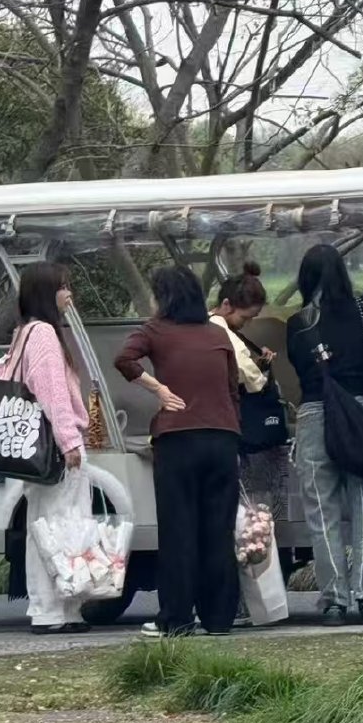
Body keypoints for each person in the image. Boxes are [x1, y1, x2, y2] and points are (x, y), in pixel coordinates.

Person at [116, 265, 241, 638]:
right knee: (218, 530)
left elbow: (124, 359)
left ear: (164, 297)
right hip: (222, 438)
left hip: (178, 440)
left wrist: (158, 390)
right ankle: (220, 617)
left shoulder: (155, 330)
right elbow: (232, 389)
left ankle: (177, 617)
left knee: (179, 530)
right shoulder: (217, 334)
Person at [287, 244, 363, 627]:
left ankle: (334, 600)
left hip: (316, 416)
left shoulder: (299, 322)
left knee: (323, 512)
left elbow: (301, 369)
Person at [0, 262, 91, 634]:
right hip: (54, 447)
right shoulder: (46, 334)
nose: (69, 295)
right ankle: (56, 609)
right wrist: (69, 441)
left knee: (45, 525)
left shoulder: (23, 333)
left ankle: (53, 608)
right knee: (62, 524)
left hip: (31, 450)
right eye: (64, 287)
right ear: (48, 293)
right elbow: (51, 393)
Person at [209, 261, 290, 626]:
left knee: (247, 524)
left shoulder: (218, 330)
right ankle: (249, 604)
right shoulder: (219, 328)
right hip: (247, 441)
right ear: (227, 306)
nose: (246, 323)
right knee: (252, 523)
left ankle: (250, 603)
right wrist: (262, 368)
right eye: (245, 316)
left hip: (235, 435)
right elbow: (252, 380)